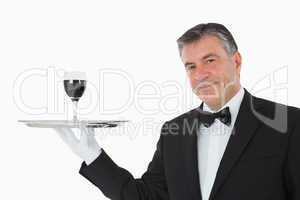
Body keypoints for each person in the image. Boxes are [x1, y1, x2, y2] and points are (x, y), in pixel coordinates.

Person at [54, 23, 300, 200]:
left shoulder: (290, 123)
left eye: (210, 60)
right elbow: (144, 197)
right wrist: (92, 155)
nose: (200, 74)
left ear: (236, 61)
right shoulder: (174, 131)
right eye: (190, 66)